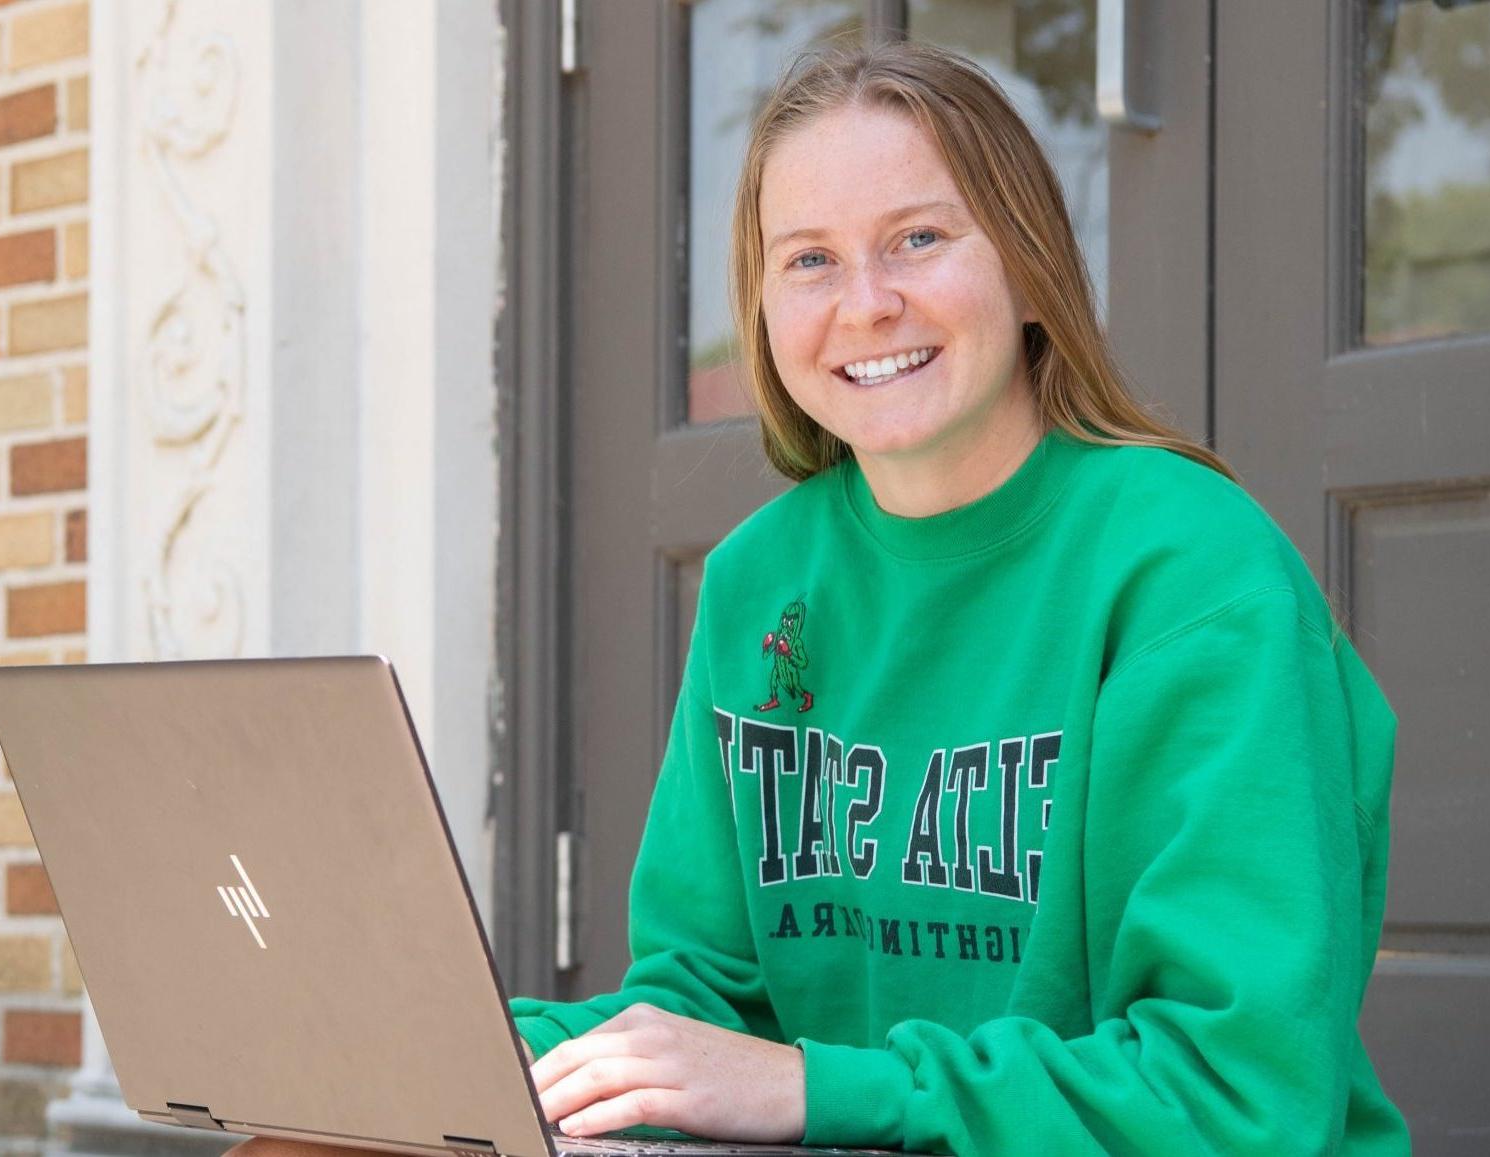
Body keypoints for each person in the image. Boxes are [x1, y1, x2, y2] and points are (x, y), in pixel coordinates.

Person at [237, 37, 1410, 1157]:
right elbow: (704, 1000)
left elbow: (1233, 1093)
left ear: (1029, 264)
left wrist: (819, 1086)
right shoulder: (761, 575)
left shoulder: (1186, 568)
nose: (865, 302)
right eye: (807, 258)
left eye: (916, 237)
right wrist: (467, 1054)